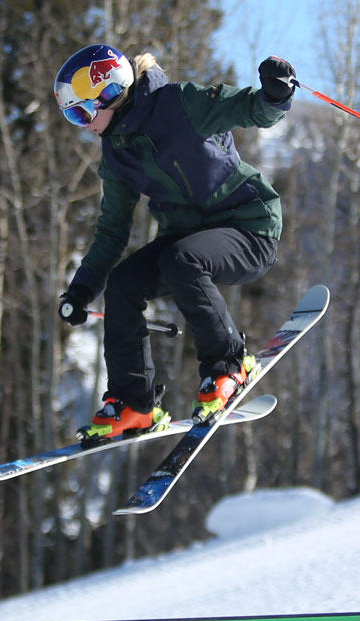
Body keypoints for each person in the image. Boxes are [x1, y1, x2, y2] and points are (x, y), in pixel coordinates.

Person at [53, 43, 295, 446]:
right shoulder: (116, 153)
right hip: (184, 245)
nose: (82, 125)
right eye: (71, 117)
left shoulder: (179, 104)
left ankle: (229, 365)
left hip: (249, 228)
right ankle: (134, 404)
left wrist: (275, 93)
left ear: (110, 94)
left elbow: (252, 109)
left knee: (181, 258)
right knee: (125, 283)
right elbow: (112, 231)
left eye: (81, 113)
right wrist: (82, 288)